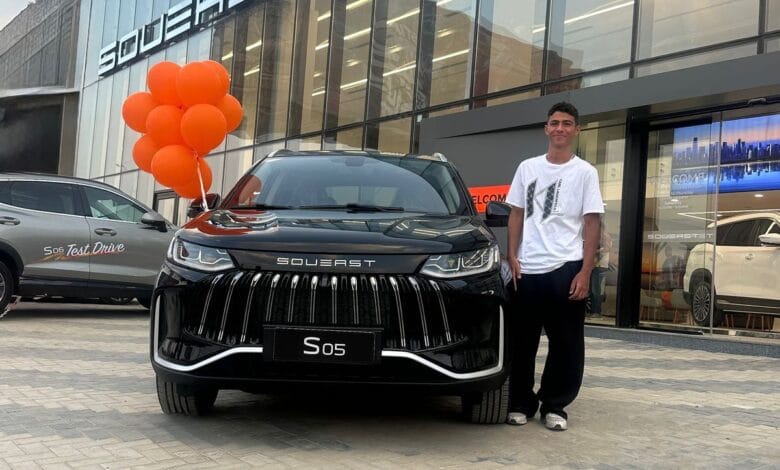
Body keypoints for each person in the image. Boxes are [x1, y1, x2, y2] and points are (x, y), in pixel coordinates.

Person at [504, 102, 604, 431]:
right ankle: (520, 402)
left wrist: (585, 271)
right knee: (521, 343)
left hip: (566, 267)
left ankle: (555, 405)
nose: (560, 128)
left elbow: (592, 223)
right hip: (526, 270)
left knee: (566, 345)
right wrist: (512, 256)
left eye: (567, 123)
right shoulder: (527, 168)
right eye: (555, 122)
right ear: (546, 128)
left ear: (576, 130)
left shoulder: (585, 172)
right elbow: (516, 214)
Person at [587, 229, 612, 317]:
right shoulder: (600, 235)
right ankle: (593, 311)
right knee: (593, 289)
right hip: (596, 266)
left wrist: (595, 251)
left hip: (599, 266)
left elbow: (606, 249)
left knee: (595, 290)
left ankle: (596, 311)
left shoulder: (604, 235)